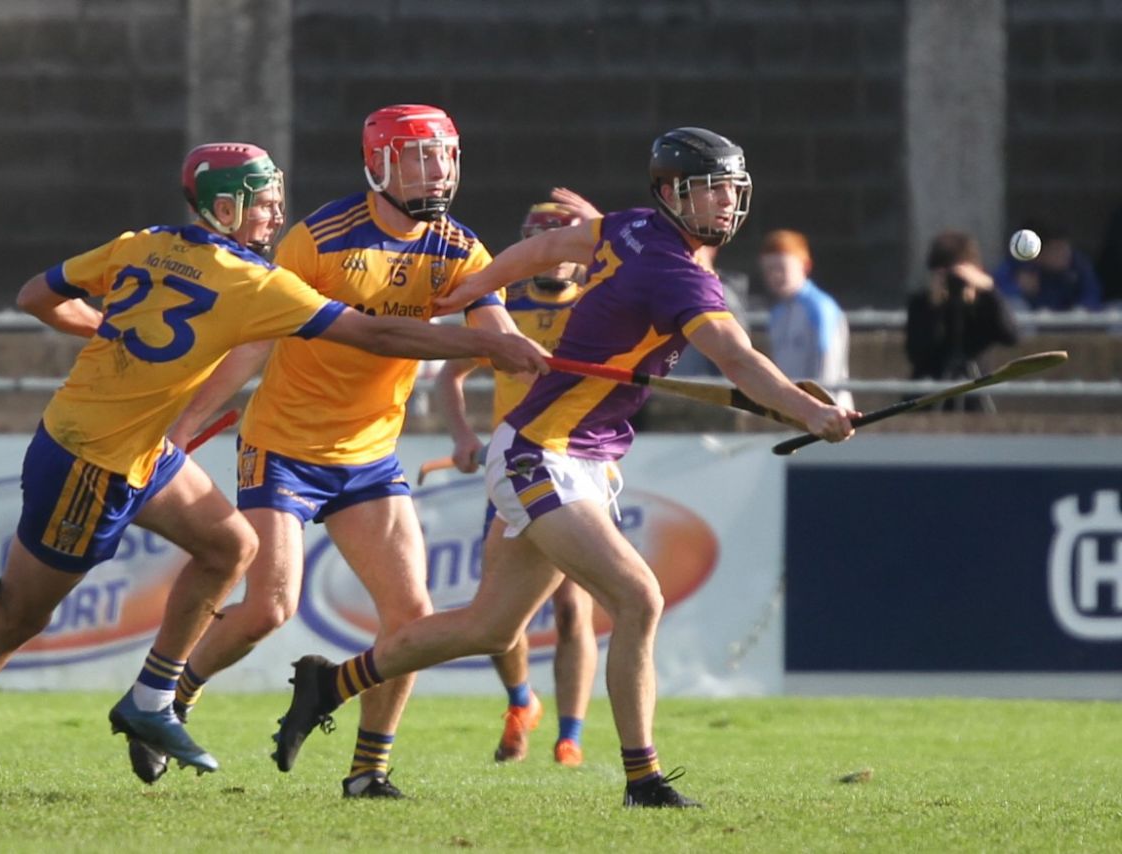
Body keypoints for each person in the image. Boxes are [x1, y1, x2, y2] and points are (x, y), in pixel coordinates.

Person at [0, 142, 548, 800]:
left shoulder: (140, 243)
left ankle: (153, 698)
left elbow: (33, 296)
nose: (273, 218)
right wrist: (486, 342)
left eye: (277, 203)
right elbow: (376, 335)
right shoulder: (250, 282)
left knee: (230, 546)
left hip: (133, 445)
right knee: (17, 616)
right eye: (261, 207)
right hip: (91, 460)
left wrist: (108, 328)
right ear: (223, 207)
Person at [269, 127, 857, 809]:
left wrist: (480, 284)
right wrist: (809, 412)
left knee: (492, 627)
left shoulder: (632, 230)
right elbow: (739, 361)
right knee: (639, 597)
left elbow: (550, 246)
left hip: (588, 454)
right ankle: (645, 779)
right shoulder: (673, 270)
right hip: (540, 452)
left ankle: (330, 684)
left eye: (733, 189)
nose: (727, 204)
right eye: (711, 190)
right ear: (671, 193)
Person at [143, 105, 530, 800]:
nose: (434, 170)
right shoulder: (318, 240)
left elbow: (492, 326)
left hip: (369, 457)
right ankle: (170, 700)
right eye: (417, 157)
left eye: (443, 155)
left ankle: (368, 771)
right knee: (270, 607)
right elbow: (254, 342)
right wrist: (183, 426)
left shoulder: (459, 248)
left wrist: (531, 356)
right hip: (283, 446)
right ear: (379, 164)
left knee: (410, 617)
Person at [434, 202, 597, 767]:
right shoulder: (502, 308)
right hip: (513, 472)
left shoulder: (600, 304)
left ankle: (570, 735)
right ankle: (521, 701)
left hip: (575, 464)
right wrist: (461, 437)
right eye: (540, 239)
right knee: (502, 617)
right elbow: (449, 379)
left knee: (574, 608)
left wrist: (601, 221)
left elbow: (646, 265)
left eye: (564, 239)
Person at [905, 231, 1019, 410]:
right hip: (931, 390)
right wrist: (934, 309)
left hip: (976, 387)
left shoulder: (984, 302)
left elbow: (1011, 336)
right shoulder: (921, 303)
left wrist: (988, 291)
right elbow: (916, 353)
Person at [758, 229, 853, 408]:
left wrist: (820, 407)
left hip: (826, 412)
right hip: (793, 410)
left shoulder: (820, 308)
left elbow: (827, 366)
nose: (775, 276)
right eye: (769, 270)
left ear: (805, 266)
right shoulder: (777, 312)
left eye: (781, 268)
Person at [994, 219, 1103, 311]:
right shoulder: (1017, 268)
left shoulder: (1077, 266)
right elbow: (995, 294)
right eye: (1056, 250)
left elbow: (1092, 296)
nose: (1064, 255)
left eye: (1066, 249)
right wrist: (1018, 288)